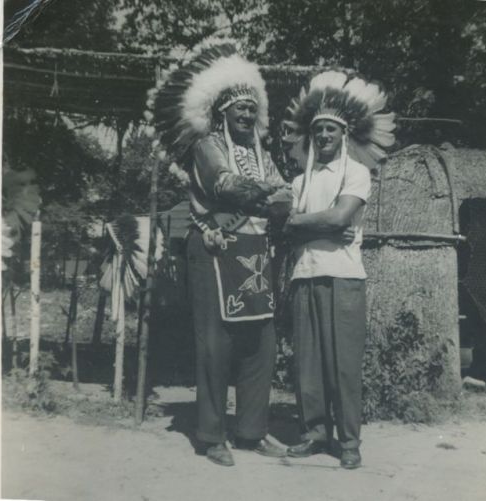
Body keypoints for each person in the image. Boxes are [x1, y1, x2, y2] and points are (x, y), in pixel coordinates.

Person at [154, 40, 291, 467]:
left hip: (254, 252)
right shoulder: (206, 146)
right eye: (239, 109)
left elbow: (285, 196)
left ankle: (252, 431)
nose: (247, 115)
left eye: (252, 109)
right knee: (214, 344)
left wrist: (273, 195)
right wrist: (269, 194)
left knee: (261, 344)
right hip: (214, 248)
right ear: (223, 112)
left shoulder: (261, 154)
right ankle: (212, 436)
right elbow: (224, 185)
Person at [282, 70, 395, 469]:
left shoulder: (356, 173)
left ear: (343, 135)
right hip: (304, 275)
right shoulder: (299, 182)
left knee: (343, 365)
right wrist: (321, 225)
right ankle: (314, 433)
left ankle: (349, 441)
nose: (324, 136)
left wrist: (304, 223)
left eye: (331, 129)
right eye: (318, 130)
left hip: (344, 277)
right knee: (308, 363)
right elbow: (291, 228)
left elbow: (340, 217)